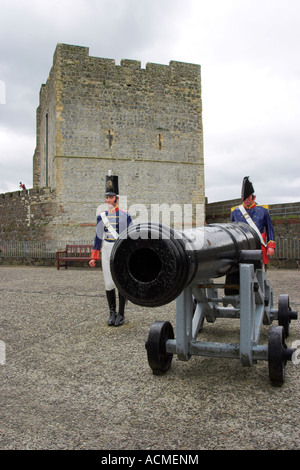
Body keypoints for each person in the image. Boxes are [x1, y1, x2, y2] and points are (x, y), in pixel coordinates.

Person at [89, 171, 133, 326]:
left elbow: (130, 236)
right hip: (106, 249)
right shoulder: (101, 216)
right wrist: (94, 256)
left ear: (117, 199)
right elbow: (98, 237)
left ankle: (121, 314)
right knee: (108, 282)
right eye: (106, 197)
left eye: (111, 197)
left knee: (120, 280)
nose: (108, 200)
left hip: (119, 248)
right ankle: (112, 313)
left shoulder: (126, 215)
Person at [230, 176, 275, 265]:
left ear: (253, 197)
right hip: (242, 246)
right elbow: (231, 231)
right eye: (244, 198)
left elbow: (270, 229)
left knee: (260, 269)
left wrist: (271, 246)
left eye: (248, 198)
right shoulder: (235, 212)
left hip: (258, 245)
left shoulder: (263, 211)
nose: (246, 200)